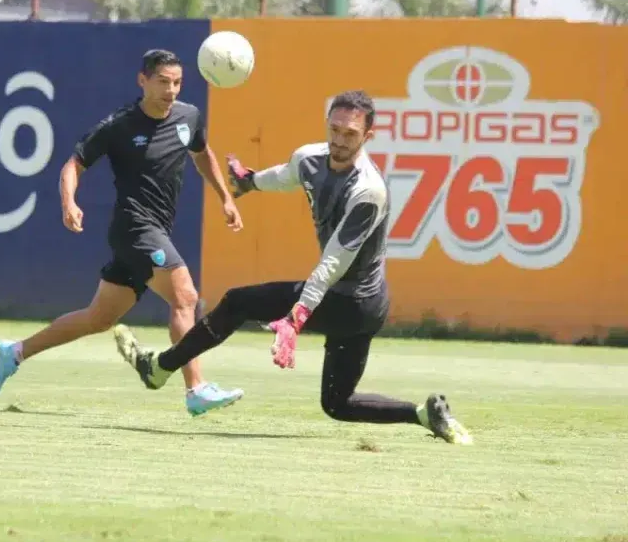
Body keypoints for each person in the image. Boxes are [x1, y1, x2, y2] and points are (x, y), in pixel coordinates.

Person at [112, 90, 473, 444]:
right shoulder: (310, 158)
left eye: (350, 134)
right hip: (353, 300)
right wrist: (249, 182)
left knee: (238, 302)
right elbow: (286, 176)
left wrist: (296, 317)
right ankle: (425, 415)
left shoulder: (368, 191)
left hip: (355, 302)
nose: (340, 140)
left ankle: (159, 368)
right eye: (335, 129)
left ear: (368, 136)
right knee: (338, 404)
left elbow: (334, 261)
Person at [0, 48, 247, 416]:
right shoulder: (120, 124)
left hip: (155, 229)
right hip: (134, 227)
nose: (170, 90)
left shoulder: (189, 116)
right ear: (142, 81)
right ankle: (196, 389)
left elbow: (202, 152)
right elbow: (73, 164)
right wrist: (69, 202)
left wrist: (226, 197)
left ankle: (14, 352)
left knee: (99, 318)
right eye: (162, 82)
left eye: (177, 83)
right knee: (185, 297)